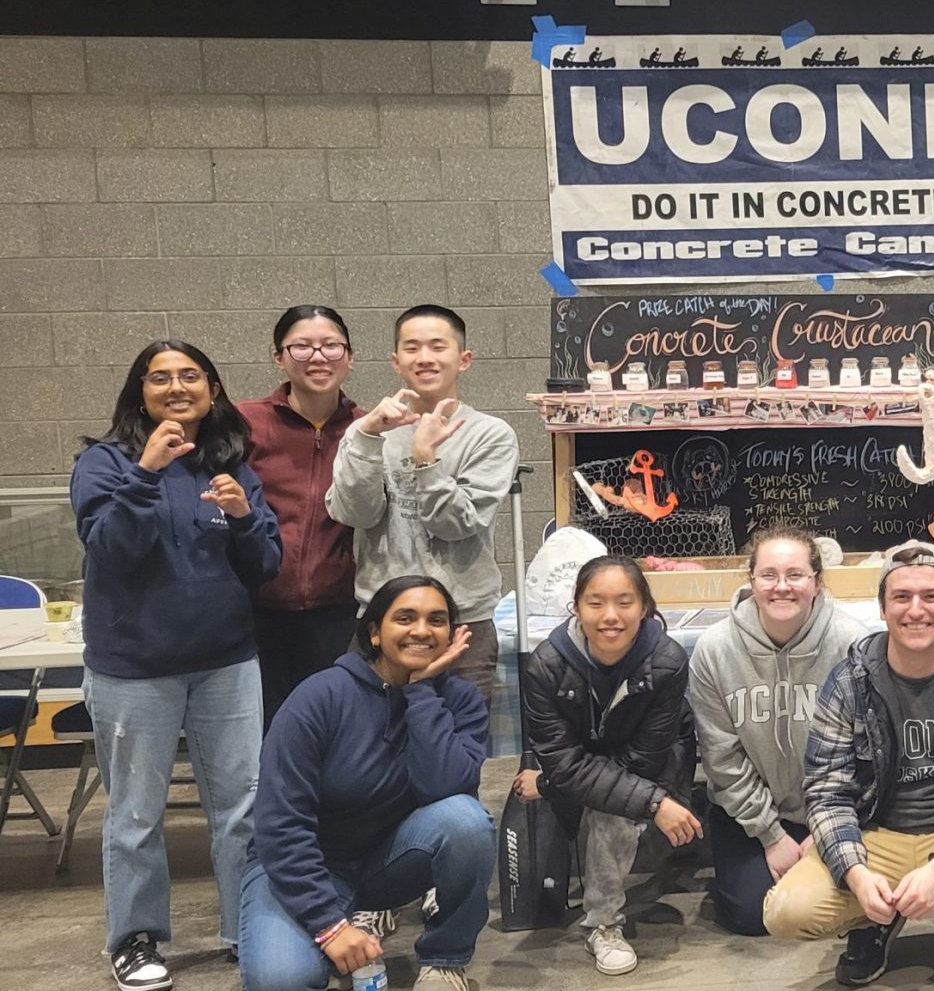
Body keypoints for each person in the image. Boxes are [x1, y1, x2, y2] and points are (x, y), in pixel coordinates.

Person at [73, 339, 282, 991]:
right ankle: (135, 941)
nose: (176, 387)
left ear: (212, 390)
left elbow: (265, 567)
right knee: (136, 814)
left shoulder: (229, 465)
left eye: (190, 376)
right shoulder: (104, 463)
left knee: (242, 809)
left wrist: (246, 520)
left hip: (225, 664)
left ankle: (243, 926)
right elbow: (109, 550)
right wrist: (144, 472)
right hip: (134, 671)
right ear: (141, 392)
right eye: (159, 378)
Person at [762, 543, 934, 991]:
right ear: (882, 606)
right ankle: (871, 922)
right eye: (901, 597)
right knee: (786, 912)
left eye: (931, 597)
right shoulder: (850, 679)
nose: (916, 610)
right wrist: (855, 871)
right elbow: (826, 789)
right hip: (877, 833)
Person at [238, 575, 493, 991]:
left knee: (467, 820)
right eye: (405, 618)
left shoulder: (459, 700)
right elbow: (280, 823)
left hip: (387, 863)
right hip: (302, 865)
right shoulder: (320, 697)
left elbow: (445, 789)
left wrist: (421, 692)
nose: (422, 630)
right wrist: (329, 926)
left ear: (451, 633)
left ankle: (445, 958)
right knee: (281, 981)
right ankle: (332, 922)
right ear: (375, 632)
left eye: (437, 620)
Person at [513, 556, 698, 975]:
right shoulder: (546, 665)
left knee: (613, 807)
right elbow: (563, 760)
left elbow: (644, 762)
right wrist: (561, 777)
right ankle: (597, 920)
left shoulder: (666, 661)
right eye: (595, 603)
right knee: (611, 797)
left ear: (646, 607)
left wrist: (548, 784)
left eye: (624, 602)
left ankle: (603, 925)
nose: (610, 616)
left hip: (653, 766)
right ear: (576, 607)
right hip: (576, 768)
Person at [327, 304, 519, 706]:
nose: (425, 358)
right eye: (412, 348)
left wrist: (425, 459)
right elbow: (353, 514)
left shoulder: (490, 434)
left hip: (462, 620)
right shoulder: (367, 432)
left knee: (455, 749)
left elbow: (457, 524)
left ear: (463, 359)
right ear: (396, 362)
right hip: (381, 619)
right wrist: (365, 439)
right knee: (368, 748)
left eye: (437, 346)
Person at [689, 525, 871, 936]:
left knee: (847, 904)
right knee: (755, 917)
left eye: (795, 575)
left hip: (834, 808)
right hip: (751, 813)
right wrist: (771, 835)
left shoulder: (853, 645)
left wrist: (827, 830)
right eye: (768, 575)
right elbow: (720, 756)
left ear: (817, 581)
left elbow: (866, 752)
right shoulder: (715, 650)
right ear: (751, 580)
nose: (781, 587)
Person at [239, 305, 365, 724]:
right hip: (255, 610)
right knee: (265, 732)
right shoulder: (245, 423)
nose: (318, 357)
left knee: (332, 729)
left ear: (349, 356)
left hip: (339, 612)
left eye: (331, 346)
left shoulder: (368, 429)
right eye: (302, 347)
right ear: (279, 357)